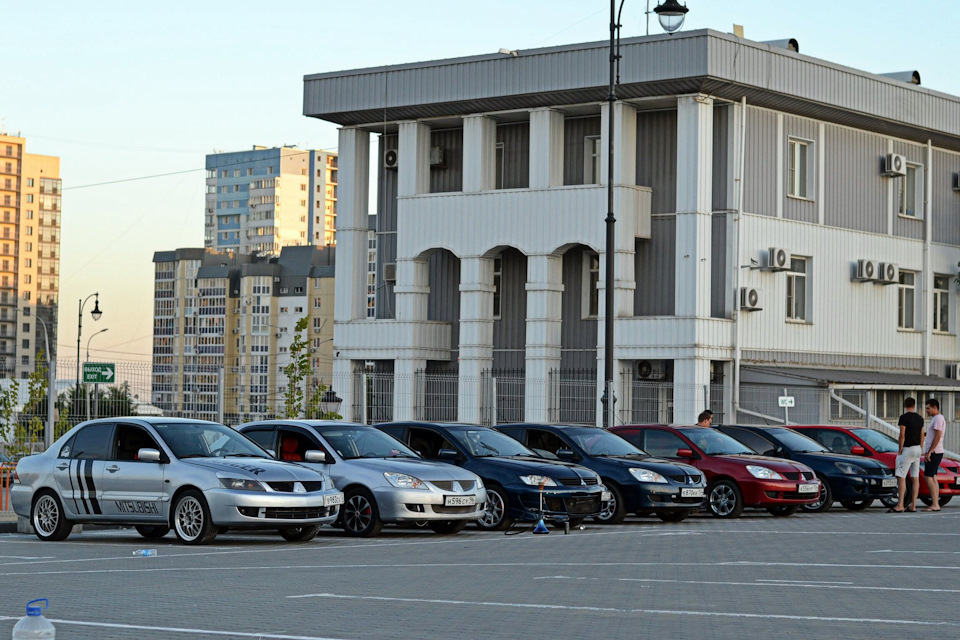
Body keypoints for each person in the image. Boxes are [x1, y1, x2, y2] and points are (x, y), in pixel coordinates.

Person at [891, 397, 924, 513]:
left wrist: (900, 449)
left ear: (905, 405)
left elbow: (902, 435)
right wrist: (920, 447)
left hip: (908, 449)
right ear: (914, 405)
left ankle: (900, 504)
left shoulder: (904, 418)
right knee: (915, 477)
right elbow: (922, 435)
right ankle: (913, 505)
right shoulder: (920, 418)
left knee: (901, 476)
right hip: (917, 449)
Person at [922, 398, 946, 512]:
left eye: (928, 408)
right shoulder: (936, 419)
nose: (927, 410)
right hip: (935, 451)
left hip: (935, 452)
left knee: (928, 477)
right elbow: (933, 435)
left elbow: (938, 436)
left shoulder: (938, 419)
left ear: (935, 407)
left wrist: (930, 452)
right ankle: (935, 503)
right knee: (933, 477)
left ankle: (935, 504)